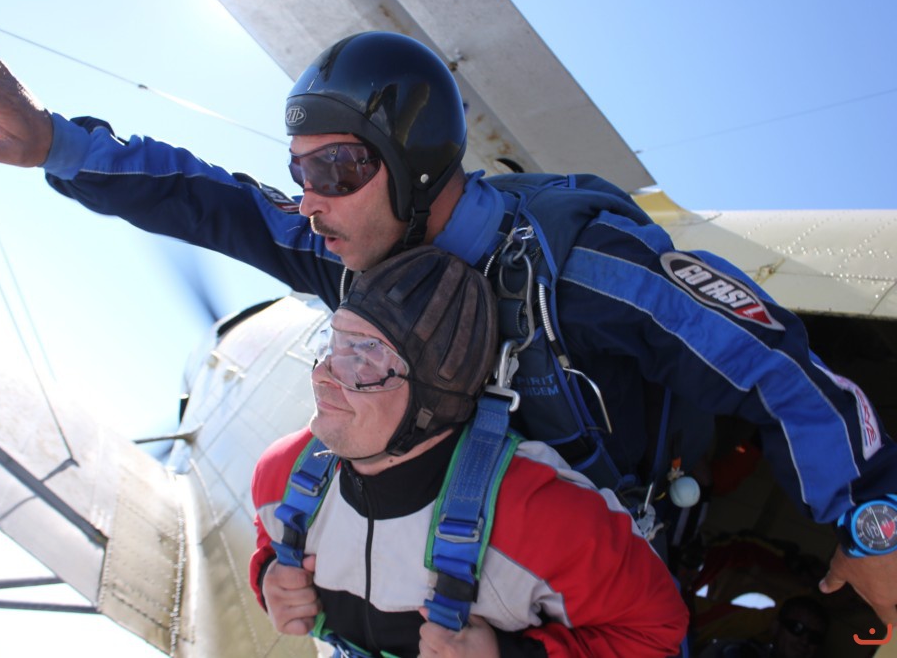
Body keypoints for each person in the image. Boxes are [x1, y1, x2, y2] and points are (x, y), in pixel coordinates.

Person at [0, 21, 897, 623]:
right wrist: (58, 144)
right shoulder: (350, 250)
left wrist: (872, 521)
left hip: (630, 550)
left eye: (336, 168)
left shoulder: (583, 263)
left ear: (416, 163)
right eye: (300, 169)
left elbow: (769, 362)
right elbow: (211, 198)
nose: (309, 198)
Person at [251, 246, 689, 657]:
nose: (324, 376)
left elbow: (655, 630)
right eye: (334, 345)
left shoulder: (544, 518)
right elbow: (268, 537)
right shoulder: (283, 477)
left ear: (431, 398)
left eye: (365, 357)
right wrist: (269, 573)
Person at [697, 595, 829, 658]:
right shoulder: (735, 652)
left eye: (814, 637)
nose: (805, 641)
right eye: (797, 628)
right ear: (776, 627)